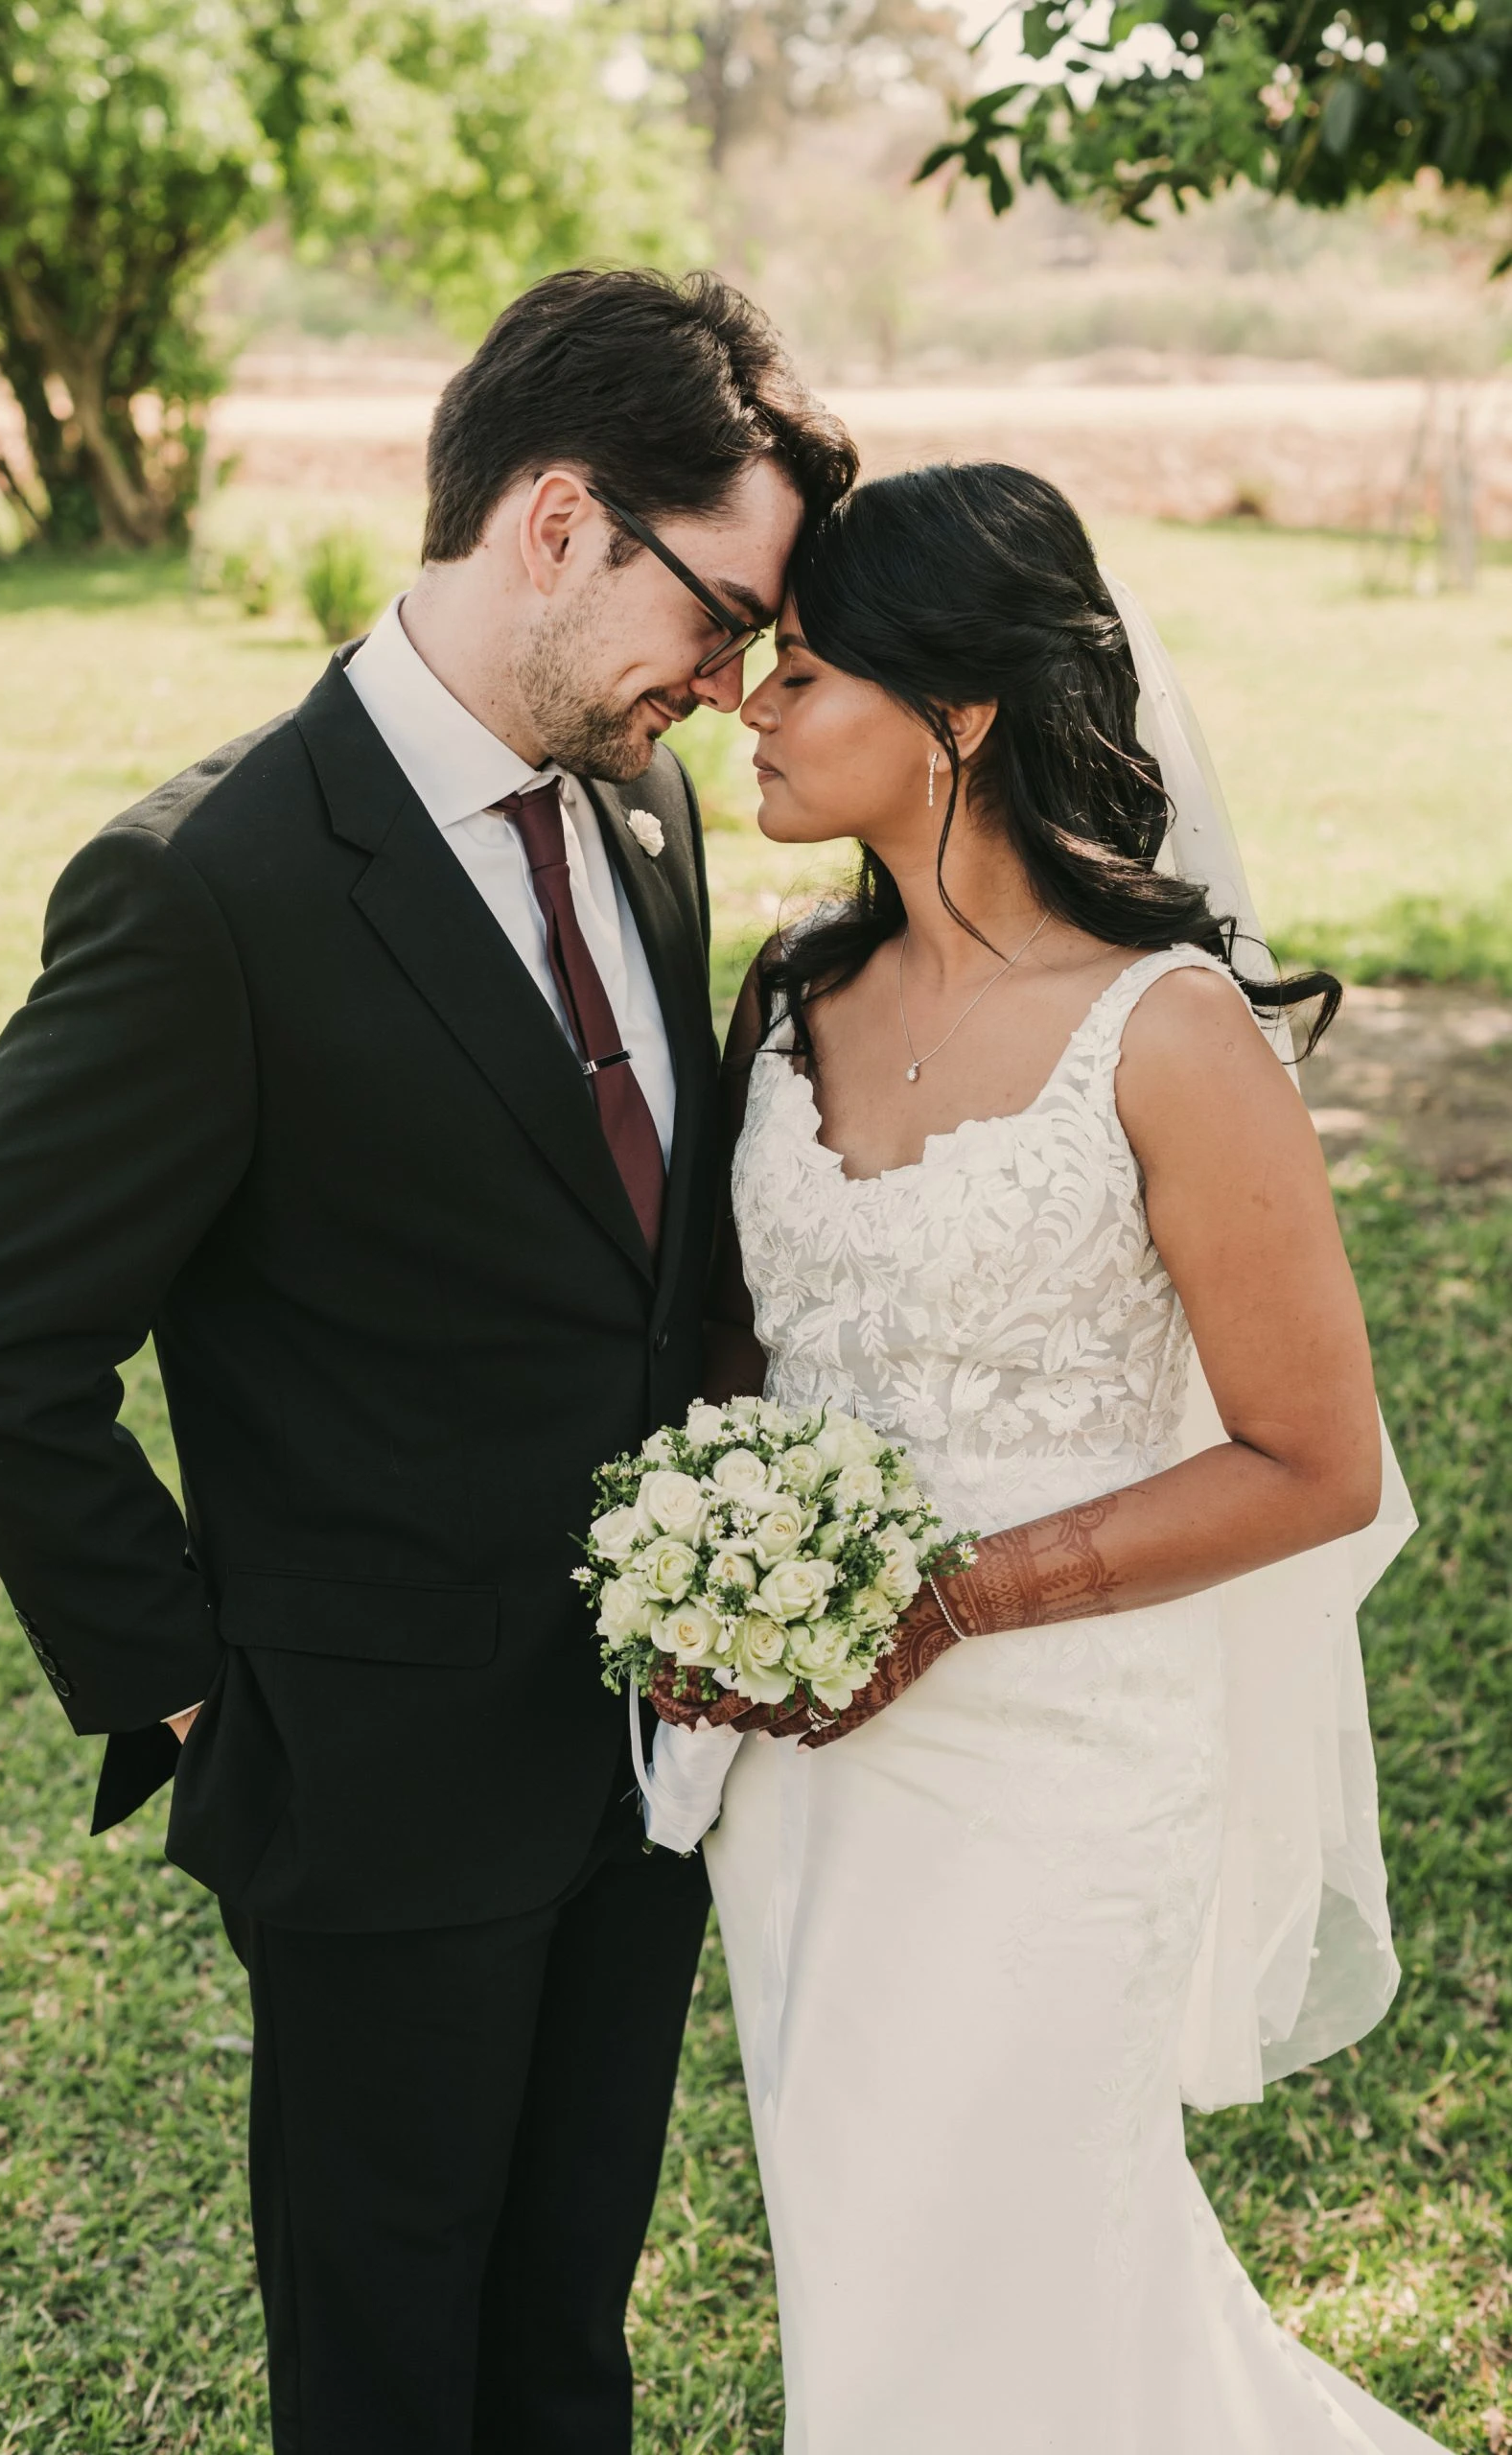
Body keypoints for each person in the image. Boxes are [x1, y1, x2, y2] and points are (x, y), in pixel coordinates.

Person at [0, 268, 856, 2455]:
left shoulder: (643, 811)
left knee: (562, 2339)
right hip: (369, 1792)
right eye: (713, 613)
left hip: (639, 1763)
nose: (724, 684)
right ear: (551, 519)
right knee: (388, 2364)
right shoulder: (203, 887)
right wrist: (192, 1689)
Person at [656, 461, 1437, 2450]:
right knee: (864, 2243)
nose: (747, 703)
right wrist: (702, 1570)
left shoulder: (1162, 1035)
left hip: (1058, 1757)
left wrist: (956, 1595)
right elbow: (740, 1376)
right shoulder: (787, 1006)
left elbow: (1308, 1459)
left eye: (802, 669)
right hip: (802, 1772)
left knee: (1008, 2238)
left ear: (958, 716)